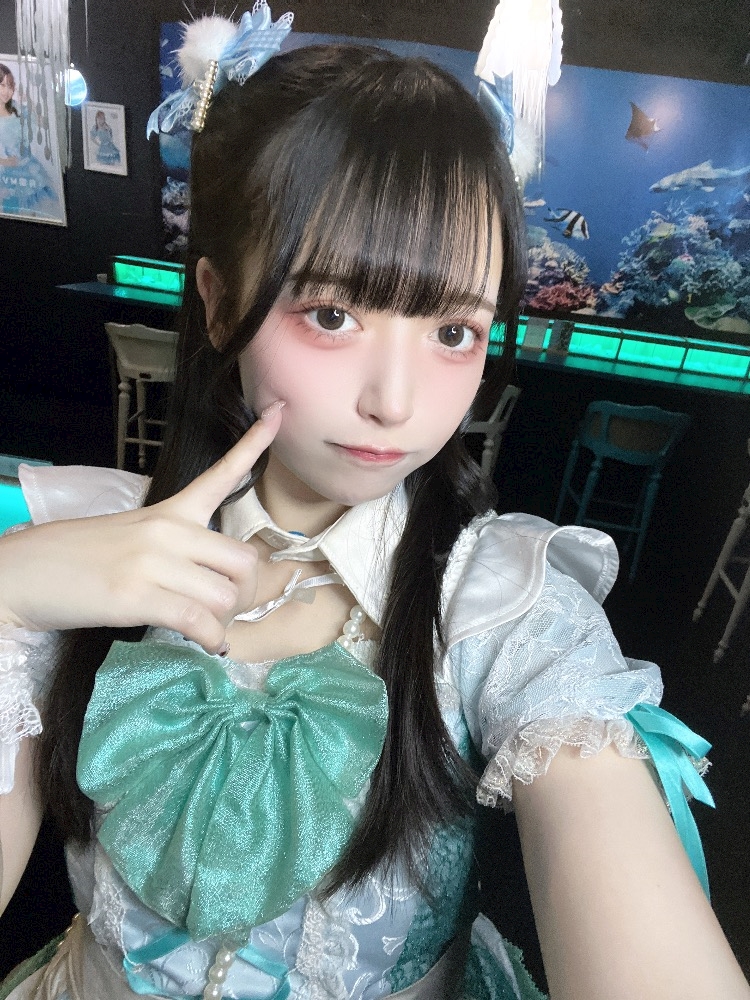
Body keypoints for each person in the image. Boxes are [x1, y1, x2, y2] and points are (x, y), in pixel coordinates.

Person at [1, 10, 749, 999]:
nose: (396, 402)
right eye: (332, 314)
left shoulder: (503, 609)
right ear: (219, 302)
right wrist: (9, 590)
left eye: (453, 333)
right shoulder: (77, 544)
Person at [0, 64, 58, 215]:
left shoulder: (18, 108)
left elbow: (45, 124)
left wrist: (29, 102)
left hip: (30, 170)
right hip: (6, 175)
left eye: (10, 86)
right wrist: (5, 162)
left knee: (37, 213)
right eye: (2, 85)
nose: (7, 91)